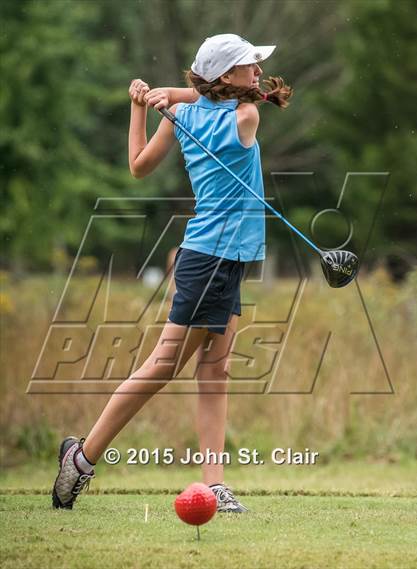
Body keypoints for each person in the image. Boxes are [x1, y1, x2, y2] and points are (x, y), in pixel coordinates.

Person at [52, 34, 292, 513]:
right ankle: (81, 458)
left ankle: (215, 486)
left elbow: (138, 165)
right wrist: (162, 96)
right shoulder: (247, 115)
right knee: (163, 366)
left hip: (224, 258)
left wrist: (143, 105)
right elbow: (231, 103)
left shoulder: (184, 116)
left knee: (215, 371)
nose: (259, 73)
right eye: (250, 65)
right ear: (227, 77)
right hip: (211, 258)